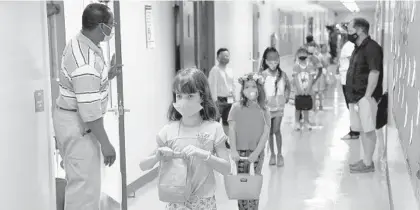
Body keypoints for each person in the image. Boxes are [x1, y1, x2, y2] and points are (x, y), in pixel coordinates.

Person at [52, 3, 123, 210]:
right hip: (79, 124)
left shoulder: (80, 41)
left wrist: (106, 76)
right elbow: (89, 114)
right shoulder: (86, 64)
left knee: (81, 182)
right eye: (111, 25)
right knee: (84, 189)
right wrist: (106, 144)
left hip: (70, 119)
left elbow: (83, 86)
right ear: (101, 26)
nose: (112, 29)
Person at [140, 68, 231, 209]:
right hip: (176, 201)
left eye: (190, 96)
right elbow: (143, 165)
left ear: (202, 96)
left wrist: (204, 155)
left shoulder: (214, 129)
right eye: (179, 96)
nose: (183, 101)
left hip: (204, 201)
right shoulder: (168, 131)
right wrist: (157, 156)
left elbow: (226, 168)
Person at [345, 18, 383, 173]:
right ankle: (365, 159)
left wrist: (367, 96)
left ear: (359, 30)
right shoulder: (358, 47)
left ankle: (368, 163)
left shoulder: (372, 48)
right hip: (357, 97)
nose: (348, 33)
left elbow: (374, 72)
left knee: (368, 130)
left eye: (349, 29)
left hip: (366, 97)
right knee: (362, 129)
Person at [229, 72, 270, 210]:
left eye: (254, 86)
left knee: (253, 186)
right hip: (240, 152)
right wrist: (233, 150)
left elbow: (266, 132)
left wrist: (257, 152)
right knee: (242, 186)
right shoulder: (235, 107)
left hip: (256, 152)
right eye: (247, 87)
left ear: (259, 89)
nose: (250, 90)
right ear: (242, 89)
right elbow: (232, 129)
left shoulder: (263, 109)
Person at [260, 47, 291, 167]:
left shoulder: (282, 74)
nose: (273, 63)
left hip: (279, 107)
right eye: (270, 60)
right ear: (266, 61)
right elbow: (259, 90)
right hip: (267, 108)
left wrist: (287, 97)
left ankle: (280, 154)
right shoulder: (263, 75)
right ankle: (272, 154)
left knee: (276, 130)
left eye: (275, 60)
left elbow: (288, 86)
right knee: (269, 132)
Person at [208, 48, 235, 131]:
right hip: (219, 100)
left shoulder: (230, 70)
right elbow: (212, 86)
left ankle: (226, 141)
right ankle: (213, 141)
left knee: (227, 121)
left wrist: (234, 97)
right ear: (218, 58)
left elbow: (233, 85)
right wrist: (214, 101)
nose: (225, 58)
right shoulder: (215, 70)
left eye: (227, 56)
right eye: (223, 56)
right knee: (215, 122)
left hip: (229, 99)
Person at [292, 48, 319, 131]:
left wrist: (307, 89)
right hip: (298, 90)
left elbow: (311, 78)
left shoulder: (310, 65)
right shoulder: (296, 66)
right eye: (300, 54)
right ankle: (297, 122)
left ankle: (306, 122)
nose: (302, 56)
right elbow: (296, 78)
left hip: (308, 90)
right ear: (297, 56)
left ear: (307, 55)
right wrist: (300, 89)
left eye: (304, 54)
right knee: (298, 107)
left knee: (306, 107)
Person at [339, 31, 359, 140]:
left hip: (349, 81)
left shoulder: (350, 46)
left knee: (352, 107)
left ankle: (355, 132)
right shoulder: (352, 45)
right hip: (348, 80)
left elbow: (354, 62)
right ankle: (356, 130)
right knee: (352, 107)